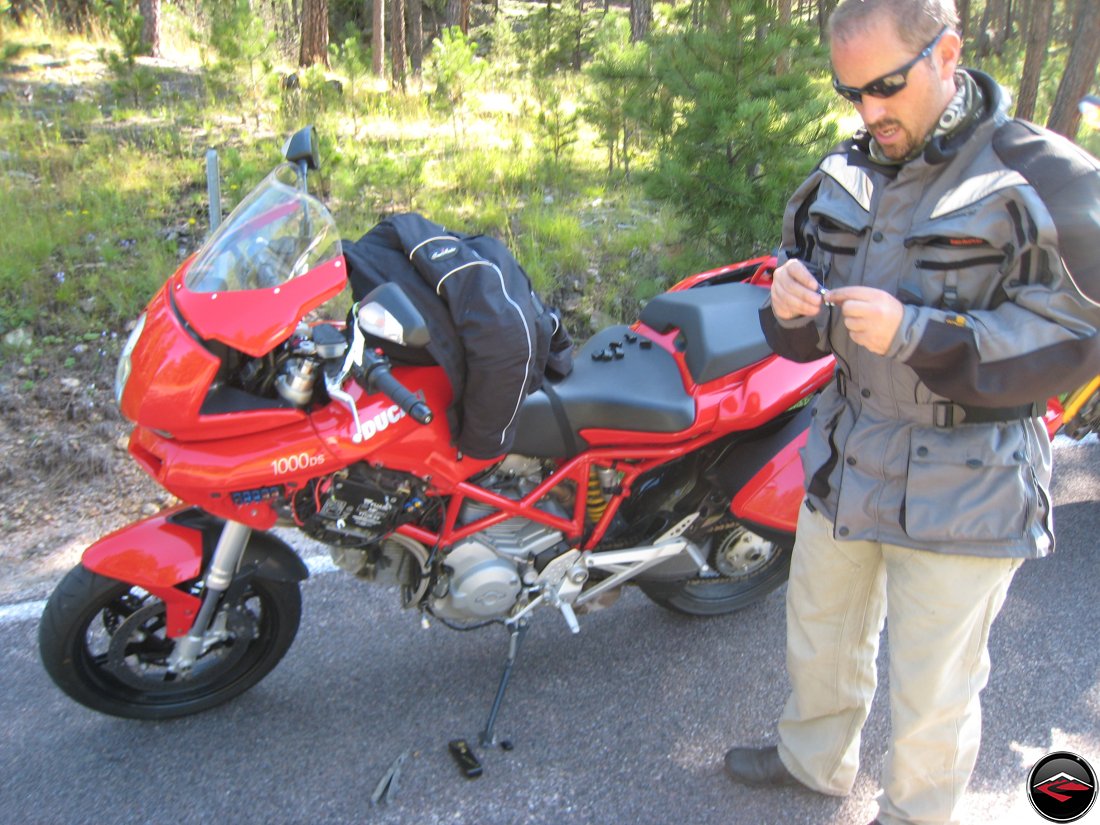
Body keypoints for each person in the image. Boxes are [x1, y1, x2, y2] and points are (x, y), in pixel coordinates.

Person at [723, 1, 1100, 824]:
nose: (867, 112)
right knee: (819, 636)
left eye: (884, 86)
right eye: (849, 91)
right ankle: (812, 760)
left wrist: (922, 333)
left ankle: (914, 815)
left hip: (969, 482)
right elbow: (802, 307)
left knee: (935, 688)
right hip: (848, 452)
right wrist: (789, 304)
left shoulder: (1048, 179)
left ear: (946, 53)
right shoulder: (843, 169)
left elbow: (1080, 339)